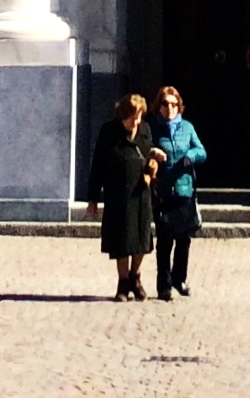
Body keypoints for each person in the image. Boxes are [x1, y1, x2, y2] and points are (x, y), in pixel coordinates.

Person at [85, 90, 157, 301]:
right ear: (123, 115)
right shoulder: (109, 131)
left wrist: (155, 156)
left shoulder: (144, 129)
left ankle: (135, 276)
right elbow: (97, 165)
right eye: (133, 116)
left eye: (140, 116)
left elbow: (148, 149)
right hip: (118, 195)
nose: (136, 121)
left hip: (141, 194)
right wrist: (93, 199)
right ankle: (123, 282)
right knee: (122, 241)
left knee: (142, 240)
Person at [149, 85, 206, 300]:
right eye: (165, 104)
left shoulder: (187, 128)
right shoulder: (153, 128)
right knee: (164, 241)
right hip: (163, 191)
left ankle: (179, 279)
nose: (170, 108)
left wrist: (191, 155)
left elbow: (202, 151)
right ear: (159, 106)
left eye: (174, 104)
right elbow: (142, 148)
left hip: (184, 190)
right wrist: (152, 152)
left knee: (184, 238)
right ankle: (163, 286)